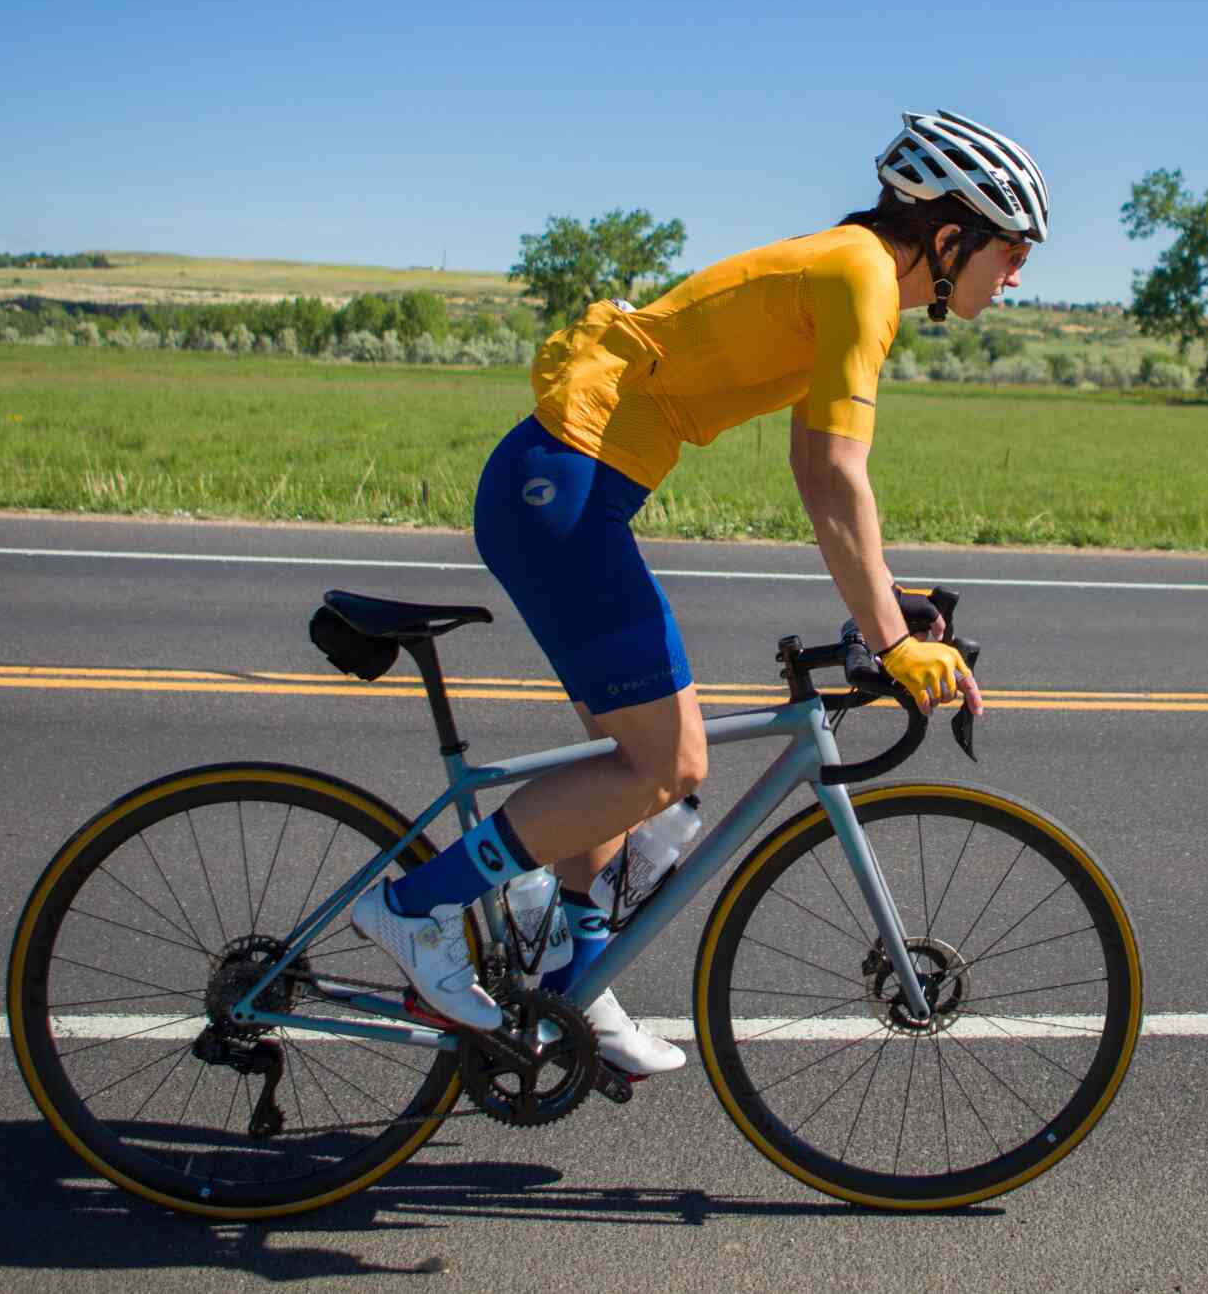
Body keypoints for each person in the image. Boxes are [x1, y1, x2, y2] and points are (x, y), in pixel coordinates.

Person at [349, 110, 1046, 1076]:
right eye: (1010, 250)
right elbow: (831, 474)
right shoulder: (861, 275)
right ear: (948, 236)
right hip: (564, 491)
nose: (1017, 274)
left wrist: (885, 598)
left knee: (628, 774)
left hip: (567, 489)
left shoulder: (857, 272)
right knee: (666, 764)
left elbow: (824, 472)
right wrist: (889, 641)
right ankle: (413, 907)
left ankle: (574, 977)